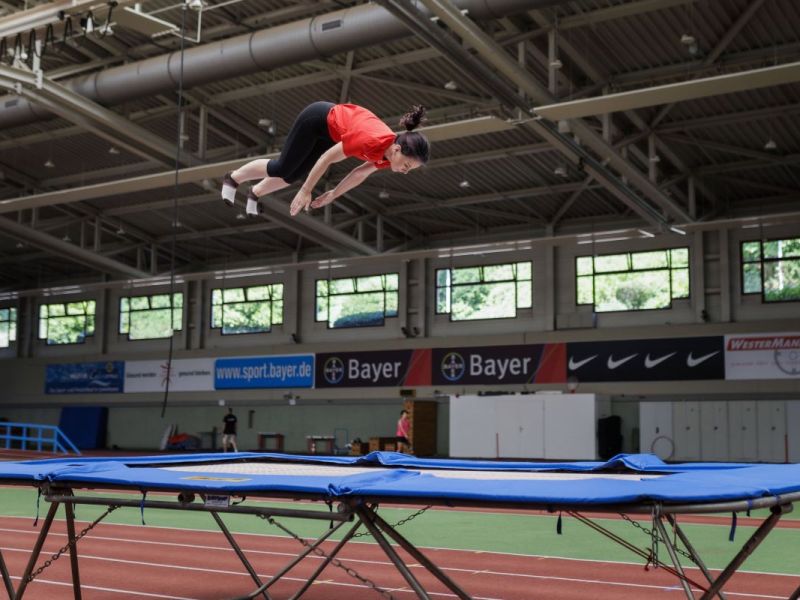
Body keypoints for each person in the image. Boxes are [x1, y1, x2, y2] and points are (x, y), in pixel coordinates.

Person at [221, 102, 430, 217]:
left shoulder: (387, 157)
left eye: (409, 169)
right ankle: (233, 178)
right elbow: (326, 158)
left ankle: (255, 192)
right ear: (396, 149)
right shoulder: (369, 140)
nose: (405, 170)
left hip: (329, 134)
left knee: (294, 174)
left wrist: (334, 193)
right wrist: (306, 190)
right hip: (316, 120)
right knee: (283, 167)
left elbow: (360, 173)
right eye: (407, 164)